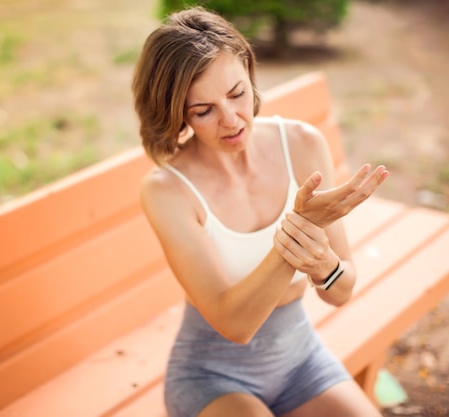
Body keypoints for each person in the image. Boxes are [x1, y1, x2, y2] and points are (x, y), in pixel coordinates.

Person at [132, 7, 389, 417]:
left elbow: (340, 291)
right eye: (204, 110)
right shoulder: (167, 190)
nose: (232, 120)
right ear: (178, 113)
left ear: (250, 74)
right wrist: (300, 230)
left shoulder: (302, 145)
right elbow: (234, 325)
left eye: (237, 93)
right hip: (212, 379)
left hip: (302, 362)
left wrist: (324, 264)